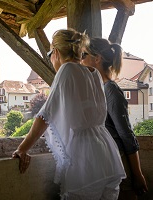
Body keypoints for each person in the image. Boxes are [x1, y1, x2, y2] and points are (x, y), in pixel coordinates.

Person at [12, 29, 126, 200]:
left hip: (84, 157)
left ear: (56, 53)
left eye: (50, 53)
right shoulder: (93, 73)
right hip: (106, 152)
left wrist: (22, 149)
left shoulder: (66, 70)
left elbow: (45, 115)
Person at [80, 37, 148, 200]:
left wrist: (137, 175)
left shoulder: (110, 89)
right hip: (109, 163)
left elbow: (126, 134)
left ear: (97, 59)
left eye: (84, 54)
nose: (81, 59)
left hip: (121, 163)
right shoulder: (100, 89)